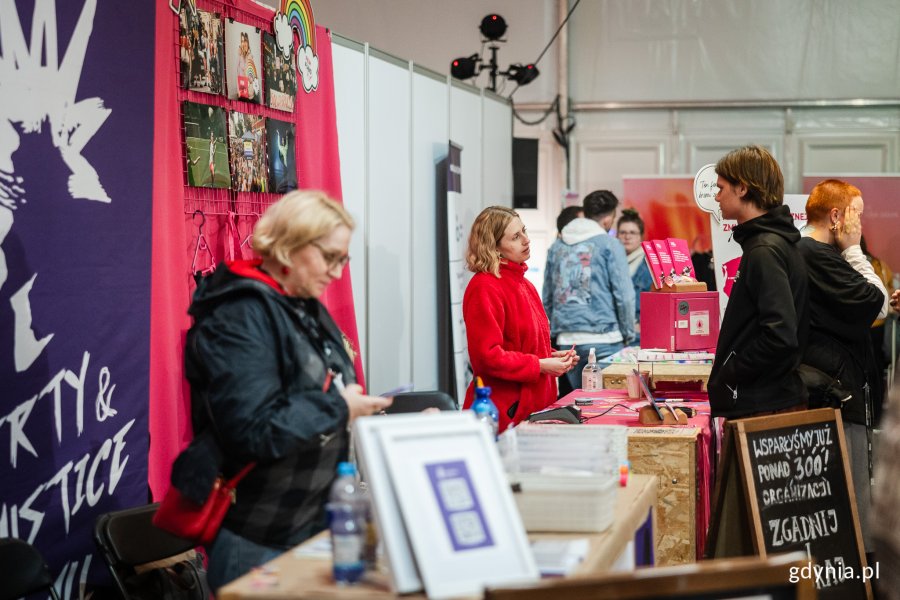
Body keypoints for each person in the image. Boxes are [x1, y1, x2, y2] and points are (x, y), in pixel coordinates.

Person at [169, 190, 392, 591]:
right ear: (289, 246)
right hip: (261, 536)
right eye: (330, 258)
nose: (337, 273)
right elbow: (251, 431)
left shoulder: (302, 303)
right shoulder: (239, 315)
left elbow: (324, 391)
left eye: (344, 260)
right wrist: (339, 408)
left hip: (312, 522)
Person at [797, 179, 888, 554]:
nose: (860, 226)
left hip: (836, 387)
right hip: (835, 394)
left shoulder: (809, 253)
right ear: (837, 216)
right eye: (857, 216)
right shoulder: (816, 253)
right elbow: (875, 303)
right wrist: (853, 249)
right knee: (846, 504)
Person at [707, 145, 809, 419]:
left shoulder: (765, 250)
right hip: (766, 398)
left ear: (742, 188)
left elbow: (779, 335)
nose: (716, 197)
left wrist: (731, 371)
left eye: (721, 188)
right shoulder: (770, 244)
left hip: (762, 405)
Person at [463, 206, 576, 431]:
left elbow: (520, 344)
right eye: (516, 237)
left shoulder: (524, 284)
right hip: (503, 415)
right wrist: (541, 365)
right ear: (494, 247)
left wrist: (552, 356)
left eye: (523, 231)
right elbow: (487, 357)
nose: (526, 240)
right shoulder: (484, 286)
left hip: (536, 409)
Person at [543, 190, 635, 394]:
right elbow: (624, 295)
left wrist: (554, 333)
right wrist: (628, 333)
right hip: (605, 338)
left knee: (580, 404)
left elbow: (547, 296)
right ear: (609, 218)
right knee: (605, 405)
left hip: (567, 342)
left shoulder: (557, 246)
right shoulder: (610, 245)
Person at [616, 208, 654, 342]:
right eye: (623, 232)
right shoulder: (612, 263)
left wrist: (646, 325)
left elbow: (656, 303)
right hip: (615, 335)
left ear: (641, 236)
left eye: (632, 232)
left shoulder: (650, 265)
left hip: (639, 336)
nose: (627, 237)